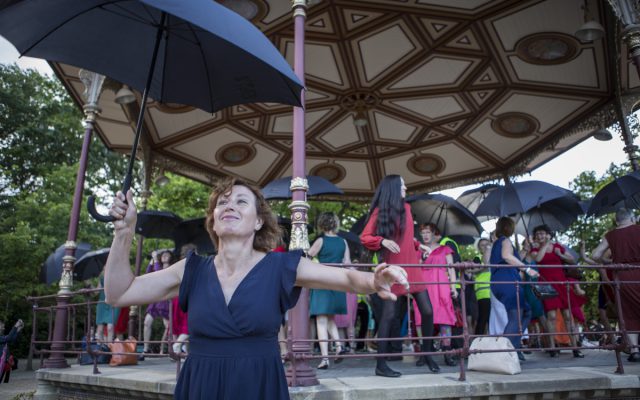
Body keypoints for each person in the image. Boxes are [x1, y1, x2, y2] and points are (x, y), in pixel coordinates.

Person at [104, 177, 409, 399]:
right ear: (213, 221)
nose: (229, 206)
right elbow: (119, 294)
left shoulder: (282, 266)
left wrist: (374, 280)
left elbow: (347, 279)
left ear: (259, 221)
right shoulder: (190, 269)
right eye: (222, 202)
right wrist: (124, 232)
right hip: (200, 386)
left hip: (259, 386)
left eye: (240, 201)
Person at [360, 175, 437, 377]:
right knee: (388, 316)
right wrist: (382, 241)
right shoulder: (380, 211)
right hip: (393, 270)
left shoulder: (408, 208)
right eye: (402, 185)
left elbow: (406, 236)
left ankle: (427, 355)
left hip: (412, 267)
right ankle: (381, 365)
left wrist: (418, 245)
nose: (406, 187)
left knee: (428, 311)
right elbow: (365, 237)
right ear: (394, 188)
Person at [592, 208, 640, 362]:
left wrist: (610, 261)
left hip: (622, 277)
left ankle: (634, 350)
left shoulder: (611, 235)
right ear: (632, 218)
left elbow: (595, 255)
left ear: (616, 220)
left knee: (628, 312)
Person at [530, 224, 583, 358]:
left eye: (542, 233)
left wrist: (560, 255)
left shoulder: (558, 247)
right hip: (545, 284)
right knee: (551, 316)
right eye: (537, 234)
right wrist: (545, 245)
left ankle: (575, 347)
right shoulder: (535, 249)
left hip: (561, 283)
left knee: (568, 315)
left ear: (548, 234)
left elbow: (572, 260)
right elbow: (538, 259)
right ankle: (552, 347)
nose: (540, 236)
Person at [490, 217, 539, 361]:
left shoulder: (497, 243)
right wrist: (528, 269)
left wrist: (525, 250)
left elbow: (512, 258)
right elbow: (507, 256)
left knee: (525, 312)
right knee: (515, 316)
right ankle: (505, 352)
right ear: (508, 228)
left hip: (499, 281)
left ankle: (513, 348)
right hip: (508, 281)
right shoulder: (505, 241)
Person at [308, 212, 349, 369]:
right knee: (330, 318)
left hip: (323, 281)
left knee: (321, 320)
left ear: (322, 224)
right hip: (338, 281)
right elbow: (347, 263)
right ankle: (339, 346)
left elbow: (308, 256)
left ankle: (325, 359)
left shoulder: (321, 241)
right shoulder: (343, 242)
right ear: (335, 224)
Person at [419, 223, 458, 366]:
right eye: (423, 232)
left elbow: (451, 269)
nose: (425, 235)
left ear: (434, 234)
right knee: (421, 319)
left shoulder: (445, 249)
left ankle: (447, 353)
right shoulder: (418, 250)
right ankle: (424, 353)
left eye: (428, 232)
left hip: (441, 286)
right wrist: (423, 258)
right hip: (423, 286)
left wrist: (454, 287)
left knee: (445, 318)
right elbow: (415, 268)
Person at [142, 251, 171, 355]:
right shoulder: (158, 265)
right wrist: (152, 261)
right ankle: (146, 348)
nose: (164, 256)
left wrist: (155, 259)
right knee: (147, 322)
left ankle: (165, 348)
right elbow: (148, 274)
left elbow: (159, 276)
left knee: (168, 326)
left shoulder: (171, 268)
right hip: (156, 299)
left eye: (167, 255)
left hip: (165, 300)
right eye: (163, 255)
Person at [95, 272, 120, 343]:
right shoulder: (102, 275)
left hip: (113, 302)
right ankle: (100, 347)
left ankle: (109, 347)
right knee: (100, 329)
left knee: (110, 327)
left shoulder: (118, 273)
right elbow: (96, 291)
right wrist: (89, 285)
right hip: (102, 302)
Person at [0, 319, 23, 384]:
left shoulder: (1, 337)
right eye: (1, 326)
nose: (3, 328)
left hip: (3, 364)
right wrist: (15, 326)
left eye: (3, 327)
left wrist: (18, 330)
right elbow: (9, 338)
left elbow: (11, 339)